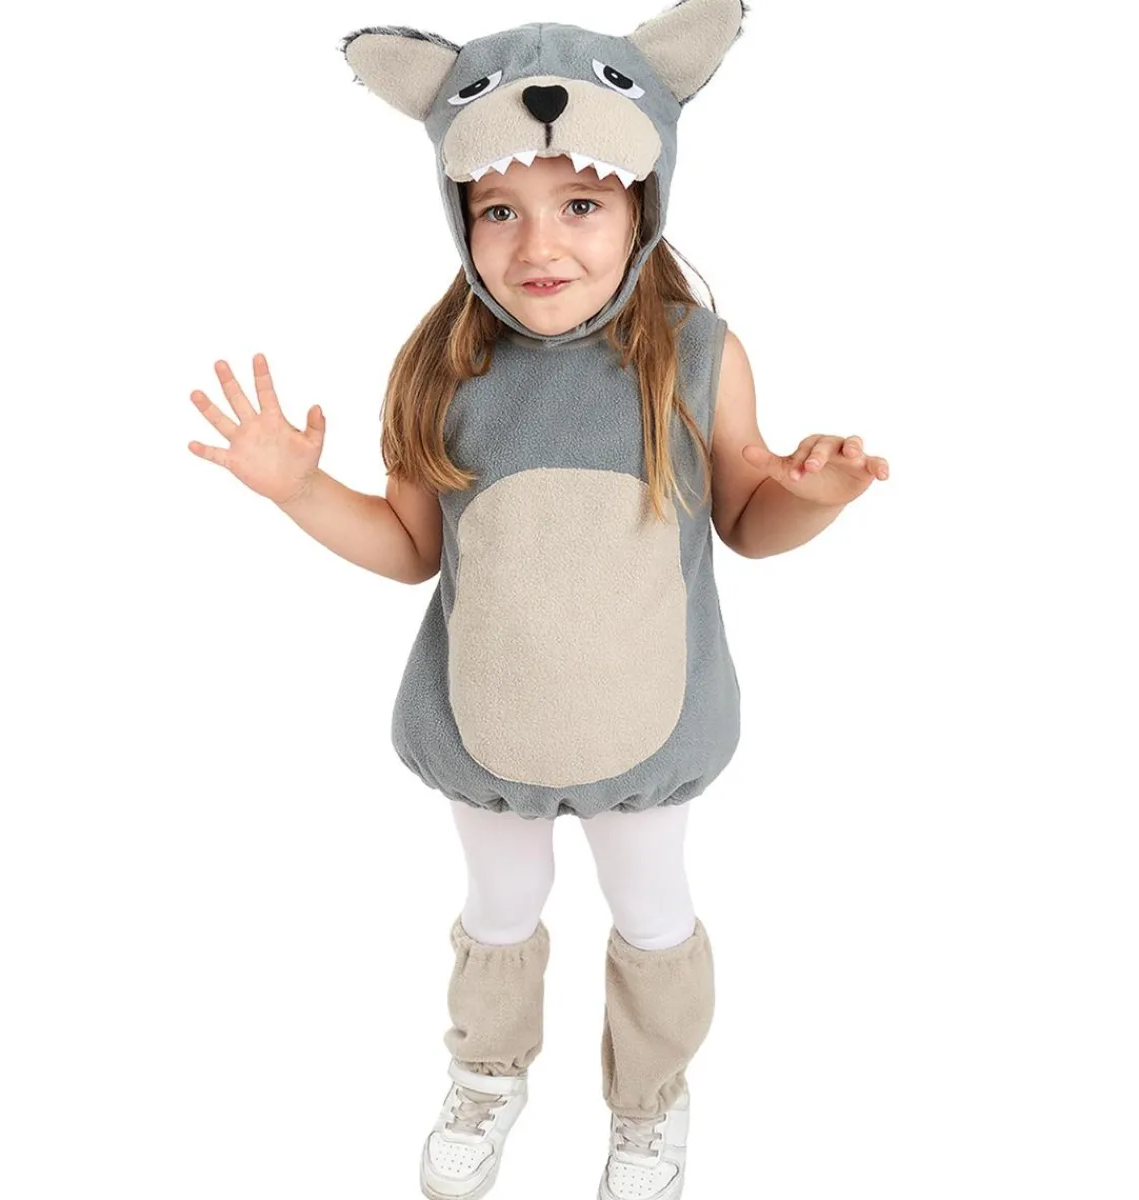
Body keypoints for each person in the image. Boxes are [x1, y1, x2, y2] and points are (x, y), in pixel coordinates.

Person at [187, 2, 890, 1197]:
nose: (537, 243)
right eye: (499, 209)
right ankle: (487, 1072)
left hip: (649, 730)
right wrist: (301, 491)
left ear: (644, 203)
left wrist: (815, 498)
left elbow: (748, 522)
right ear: (458, 213)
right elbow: (410, 545)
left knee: (652, 911)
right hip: (487, 731)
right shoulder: (441, 366)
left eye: (581, 204)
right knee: (499, 909)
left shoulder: (699, 353)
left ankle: (649, 1102)